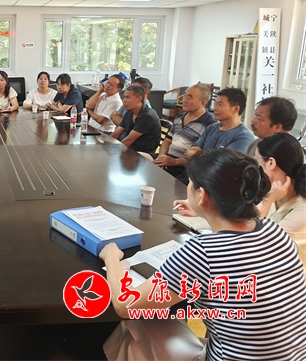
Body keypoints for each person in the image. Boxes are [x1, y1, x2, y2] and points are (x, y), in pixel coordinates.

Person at [102, 147, 306, 360]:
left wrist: (112, 258)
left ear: (202, 195)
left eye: (190, 183)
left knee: (140, 320)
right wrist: (206, 212)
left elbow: (124, 306)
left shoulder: (203, 252)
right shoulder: (274, 231)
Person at [256, 133, 306, 269]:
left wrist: (267, 201)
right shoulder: (273, 191)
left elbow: (255, 245)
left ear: (271, 163)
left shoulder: (302, 211)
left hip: (291, 280)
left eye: (257, 161)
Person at [152, 83, 216, 181]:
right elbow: (167, 140)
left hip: (183, 167)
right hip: (167, 160)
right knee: (140, 158)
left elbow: (202, 160)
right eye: (184, 95)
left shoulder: (209, 125)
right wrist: (161, 157)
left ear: (202, 102)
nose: (184, 100)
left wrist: (174, 162)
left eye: (189, 97)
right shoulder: (181, 117)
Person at [185, 87, 254, 159]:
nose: (215, 108)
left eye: (220, 104)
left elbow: (224, 163)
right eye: (215, 104)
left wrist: (197, 155)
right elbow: (193, 150)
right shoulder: (211, 128)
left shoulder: (244, 136)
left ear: (235, 109)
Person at [110, 85, 161, 153]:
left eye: (127, 97)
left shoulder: (147, 116)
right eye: (124, 97)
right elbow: (116, 134)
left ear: (139, 99)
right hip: (130, 148)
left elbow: (128, 141)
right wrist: (104, 145)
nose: (124, 100)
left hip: (142, 153)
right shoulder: (130, 112)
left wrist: (112, 152)